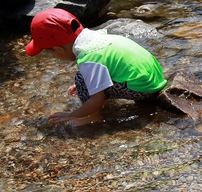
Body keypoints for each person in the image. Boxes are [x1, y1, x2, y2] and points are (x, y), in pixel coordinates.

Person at [25, 8, 168, 124]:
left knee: (81, 79)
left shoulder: (88, 58)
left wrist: (72, 115)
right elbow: (110, 65)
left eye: (50, 53)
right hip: (154, 79)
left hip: (144, 90)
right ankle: (105, 105)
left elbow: (96, 99)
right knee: (86, 77)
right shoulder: (96, 39)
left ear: (58, 49)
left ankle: (93, 117)